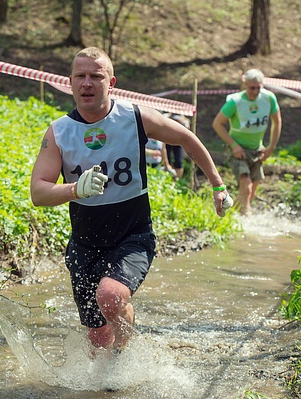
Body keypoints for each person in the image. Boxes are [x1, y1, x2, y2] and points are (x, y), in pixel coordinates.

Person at [30, 47, 230, 354]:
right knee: (97, 338)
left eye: (96, 76)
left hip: (132, 236)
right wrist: (75, 190)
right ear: (69, 83)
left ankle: (123, 356)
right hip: (85, 243)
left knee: (110, 296)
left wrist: (217, 186)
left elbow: (187, 139)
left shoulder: (135, 117)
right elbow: (38, 192)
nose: (87, 83)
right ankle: (109, 358)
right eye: (80, 76)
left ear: (111, 83)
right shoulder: (59, 132)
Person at [212, 68, 282, 215]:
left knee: (250, 194)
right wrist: (234, 145)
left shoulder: (269, 98)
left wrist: (271, 147)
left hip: (257, 149)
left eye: (259, 87)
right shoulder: (235, 102)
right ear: (245, 84)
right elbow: (217, 124)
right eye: (252, 88)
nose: (256, 91)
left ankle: (232, 215)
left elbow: (277, 121)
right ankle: (247, 221)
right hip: (238, 149)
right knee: (247, 187)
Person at [165, 113, 191, 180]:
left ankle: (178, 180)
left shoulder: (185, 123)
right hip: (166, 139)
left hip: (178, 142)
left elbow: (187, 138)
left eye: (177, 121)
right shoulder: (165, 119)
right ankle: (169, 177)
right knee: (167, 159)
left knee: (178, 161)